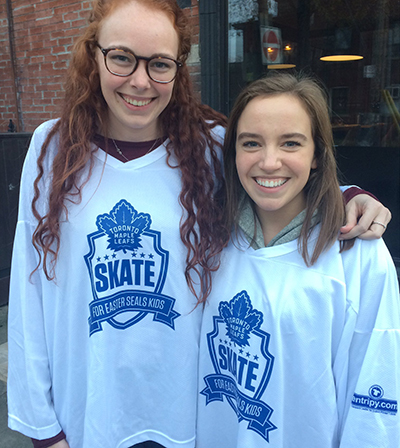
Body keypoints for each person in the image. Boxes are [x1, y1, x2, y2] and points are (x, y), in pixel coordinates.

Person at [7, 0, 390, 447]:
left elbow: (276, 171)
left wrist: (349, 197)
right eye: (122, 57)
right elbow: (28, 287)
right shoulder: (52, 149)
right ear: (95, 55)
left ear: (179, 68)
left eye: (160, 64)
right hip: (89, 411)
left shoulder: (208, 147)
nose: (140, 80)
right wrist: (41, 425)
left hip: (189, 418)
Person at [196, 73, 400, 447]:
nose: (269, 161)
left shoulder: (358, 252)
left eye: (290, 143)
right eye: (251, 143)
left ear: (318, 155)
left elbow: (375, 397)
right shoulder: (207, 239)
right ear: (233, 153)